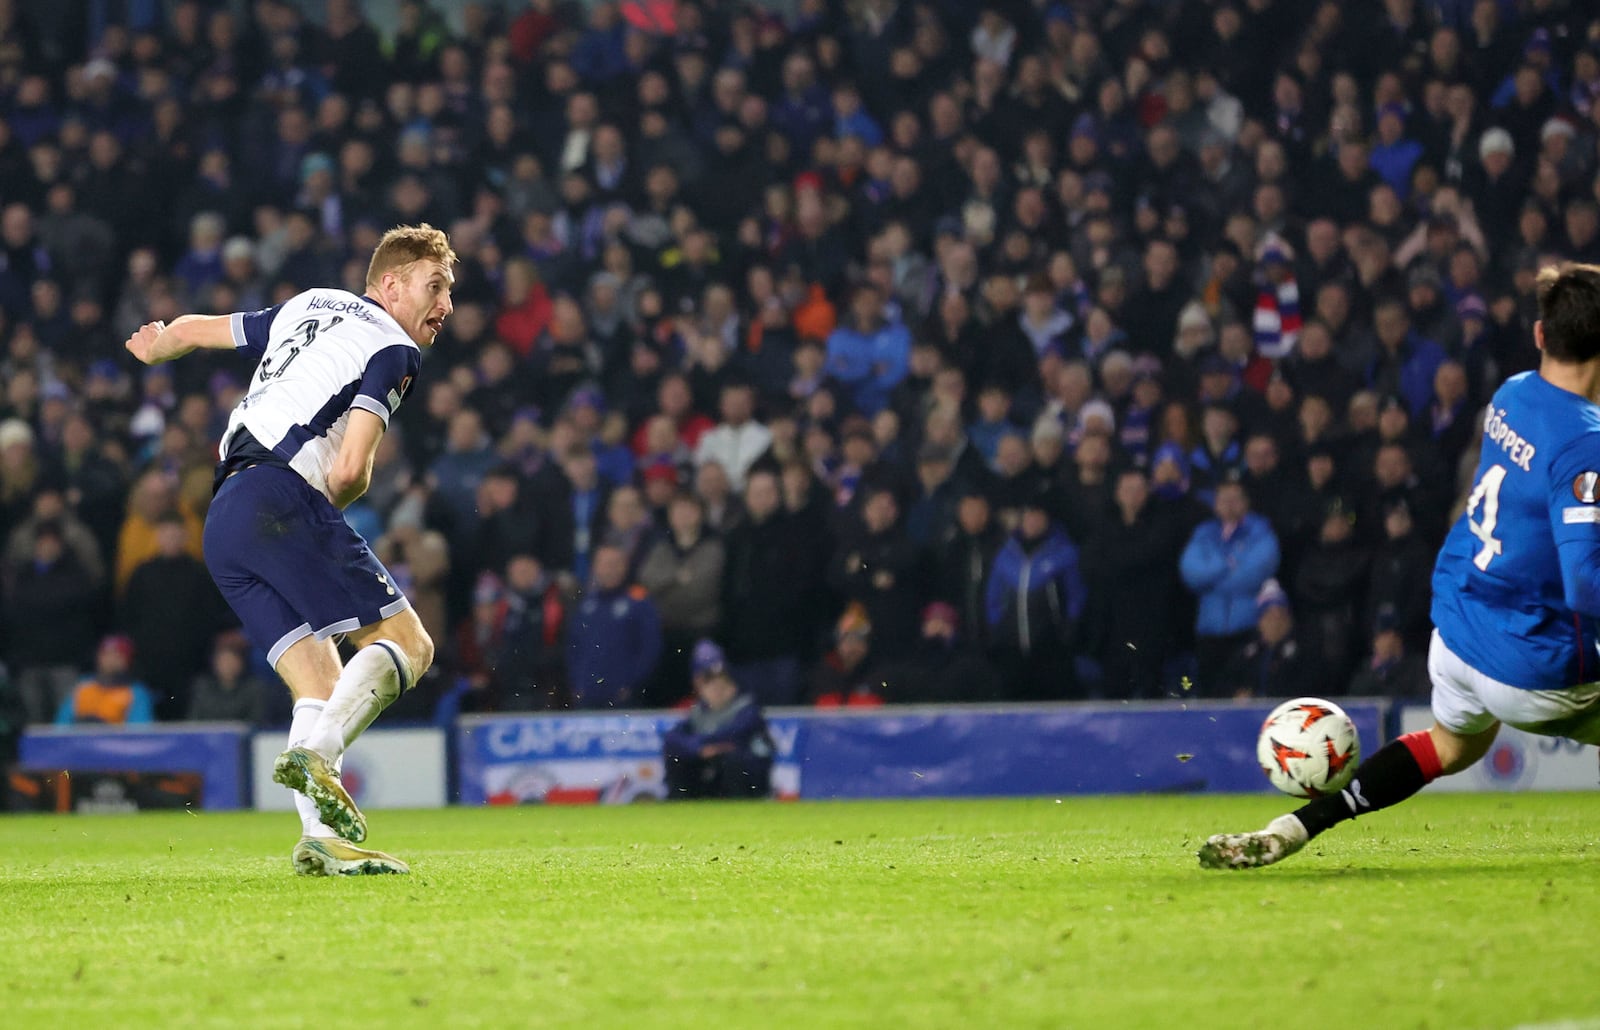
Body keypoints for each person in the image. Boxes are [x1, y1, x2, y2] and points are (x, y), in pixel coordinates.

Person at [1202, 263, 1600, 870]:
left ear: (1541, 336)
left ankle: (1293, 827)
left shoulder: (1513, 394)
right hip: (1532, 661)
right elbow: (1585, 583)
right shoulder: (1584, 442)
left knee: (1447, 747)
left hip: (1461, 635)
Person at [122, 224, 456, 876]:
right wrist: (338, 503)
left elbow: (193, 331)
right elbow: (350, 467)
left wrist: (158, 345)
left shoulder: (307, 304)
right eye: (435, 286)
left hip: (222, 521)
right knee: (412, 645)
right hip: (282, 496)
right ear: (391, 285)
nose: (446, 304)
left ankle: (319, 841)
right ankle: (324, 754)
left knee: (319, 679)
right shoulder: (394, 347)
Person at [662, 640, 774, 800]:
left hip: (748, 776)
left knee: (730, 761)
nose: (716, 690)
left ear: (732, 686)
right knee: (679, 759)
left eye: (721, 684)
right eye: (710, 685)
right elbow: (672, 738)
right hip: (708, 765)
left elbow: (734, 734)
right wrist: (699, 749)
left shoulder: (747, 709)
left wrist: (707, 745)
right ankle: (680, 807)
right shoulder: (699, 712)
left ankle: (739, 808)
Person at [56, 635, 156, 726]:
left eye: (117, 656)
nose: (110, 660)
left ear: (127, 660)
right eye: (106, 654)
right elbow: (61, 726)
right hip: (78, 743)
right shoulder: (82, 686)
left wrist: (104, 728)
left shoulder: (137, 692)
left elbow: (139, 732)